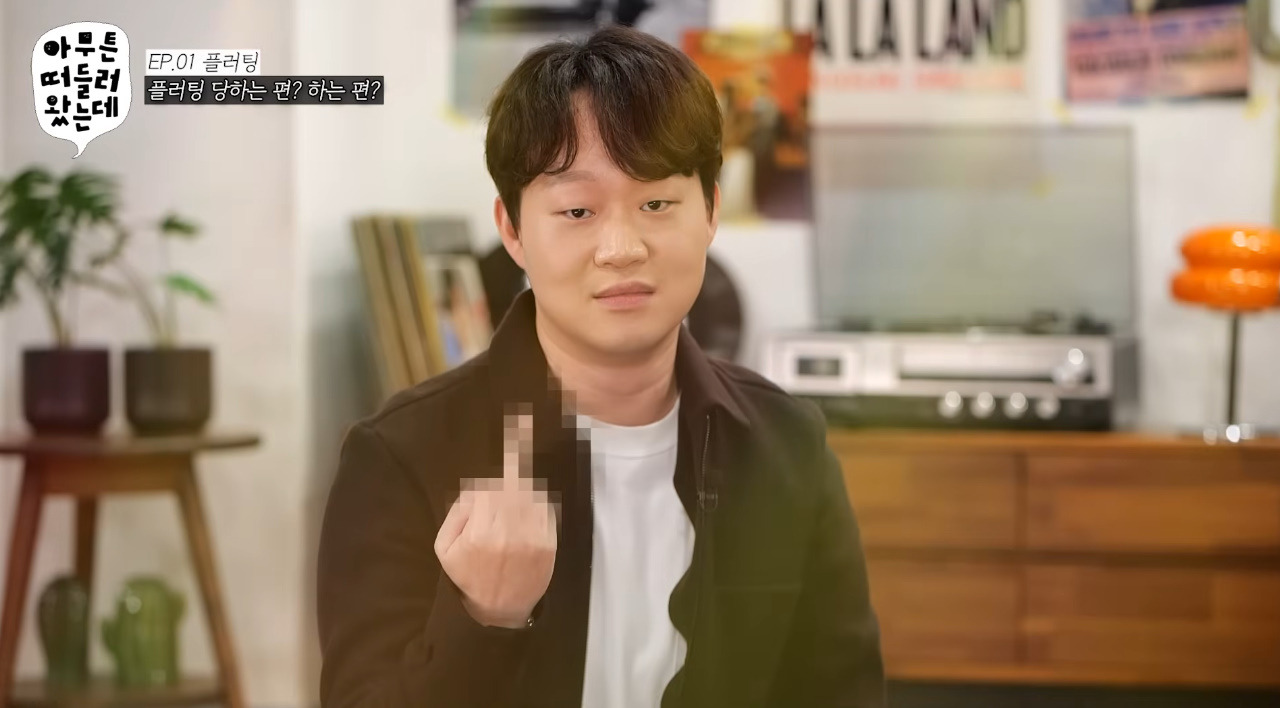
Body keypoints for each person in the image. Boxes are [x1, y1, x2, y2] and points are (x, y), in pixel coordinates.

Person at [316, 25, 885, 708]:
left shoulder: (786, 446)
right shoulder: (401, 456)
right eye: (578, 210)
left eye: (656, 204)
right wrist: (485, 620)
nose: (621, 247)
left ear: (710, 210)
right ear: (512, 230)